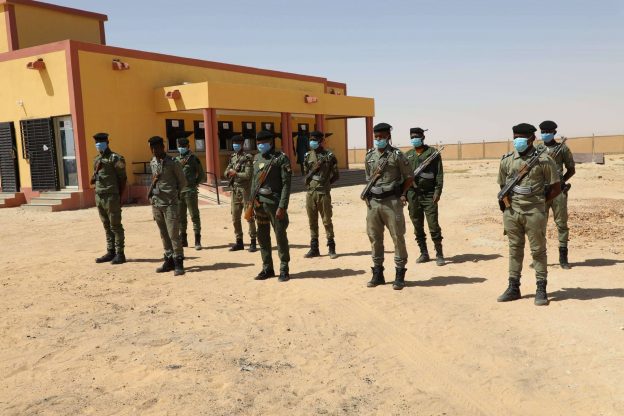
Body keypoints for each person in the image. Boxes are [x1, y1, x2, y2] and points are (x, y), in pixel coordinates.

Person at [497, 123, 560, 306]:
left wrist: (539, 202)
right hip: (512, 212)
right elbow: (503, 186)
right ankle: (513, 287)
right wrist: (507, 206)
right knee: (514, 249)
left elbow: (556, 187)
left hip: (534, 212)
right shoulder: (507, 160)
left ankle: (541, 289)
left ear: (532, 138)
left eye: (522, 137)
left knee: (538, 251)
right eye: (515, 137)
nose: (518, 140)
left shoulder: (544, 160)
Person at [363, 123, 414, 290]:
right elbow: (368, 178)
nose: (378, 139)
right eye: (376, 137)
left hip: (392, 201)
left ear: (388, 137)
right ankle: (378, 273)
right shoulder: (369, 155)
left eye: (382, 137)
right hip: (374, 202)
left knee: (397, 237)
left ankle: (399, 274)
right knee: (374, 237)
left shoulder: (397, 155)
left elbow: (409, 176)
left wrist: (402, 193)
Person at [250, 130, 292, 282]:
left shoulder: (281, 158)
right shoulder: (256, 158)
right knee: (262, 237)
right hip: (259, 204)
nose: (261, 145)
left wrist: (282, 206)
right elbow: (254, 182)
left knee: (280, 236)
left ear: (271, 142)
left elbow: (286, 184)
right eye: (258, 143)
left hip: (274, 204)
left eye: (264, 143)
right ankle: (267, 267)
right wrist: (251, 202)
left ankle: (284, 268)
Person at [537, 120, 575, 269]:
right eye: (543, 132)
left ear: (554, 133)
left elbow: (571, 169)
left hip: (558, 192)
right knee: (539, 224)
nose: (545, 134)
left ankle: (563, 258)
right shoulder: (538, 149)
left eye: (548, 132)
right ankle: (540, 258)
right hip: (542, 192)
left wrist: (560, 182)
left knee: (561, 224)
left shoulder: (563, 148)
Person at [405, 127, 445, 266]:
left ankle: (439, 254)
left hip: (429, 195)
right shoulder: (408, 155)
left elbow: (439, 174)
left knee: (433, 225)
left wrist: (437, 192)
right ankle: (424, 253)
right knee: (417, 225)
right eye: (412, 137)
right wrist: (403, 194)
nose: (414, 139)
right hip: (412, 195)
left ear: (423, 137)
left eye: (416, 136)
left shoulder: (432, 153)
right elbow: (404, 177)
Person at [148, 136, 187, 276]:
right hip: (157, 203)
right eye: (151, 148)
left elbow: (182, 182)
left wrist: (174, 195)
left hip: (170, 203)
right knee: (163, 234)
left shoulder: (173, 163)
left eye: (156, 147)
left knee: (173, 234)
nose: (154, 150)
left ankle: (179, 261)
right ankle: (169, 259)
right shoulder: (153, 162)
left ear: (162, 147)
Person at [303, 130, 340, 259]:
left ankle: (331, 247)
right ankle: (314, 248)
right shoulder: (307, 156)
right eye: (311, 139)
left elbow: (336, 175)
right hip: (310, 193)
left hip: (323, 193)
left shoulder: (329, 156)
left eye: (314, 140)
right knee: (312, 221)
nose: (312, 142)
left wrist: (326, 184)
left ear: (321, 141)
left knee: (327, 221)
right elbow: (306, 173)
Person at [92, 132, 127, 264]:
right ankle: (110, 251)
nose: (98, 144)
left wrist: (120, 196)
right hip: (99, 196)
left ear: (107, 142)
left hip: (112, 196)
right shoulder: (97, 159)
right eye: (96, 142)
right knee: (106, 225)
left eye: (100, 142)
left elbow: (123, 179)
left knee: (115, 225)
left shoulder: (115, 158)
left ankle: (120, 253)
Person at [224, 134, 257, 252]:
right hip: (235, 190)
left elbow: (248, 175)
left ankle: (253, 241)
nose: (235, 145)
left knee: (249, 216)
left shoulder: (247, 158)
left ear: (242, 144)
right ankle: (239, 242)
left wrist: (235, 173)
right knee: (235, 217)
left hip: (245, 190)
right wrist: (228, 173)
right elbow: (226, 171)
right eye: (234, 144)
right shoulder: (233, 157)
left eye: (237, 144)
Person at [175, 132, 206, 251]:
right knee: (181, 217)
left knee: (194, 216)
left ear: (188, 146)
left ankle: (197, 240)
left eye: (183, 146)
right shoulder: (176, 160)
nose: (181, 148)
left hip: (190, 192)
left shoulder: (193, 159)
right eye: (180, 146)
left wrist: (194, 183)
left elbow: (201, 175)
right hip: (179, 192)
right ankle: (183, 239)